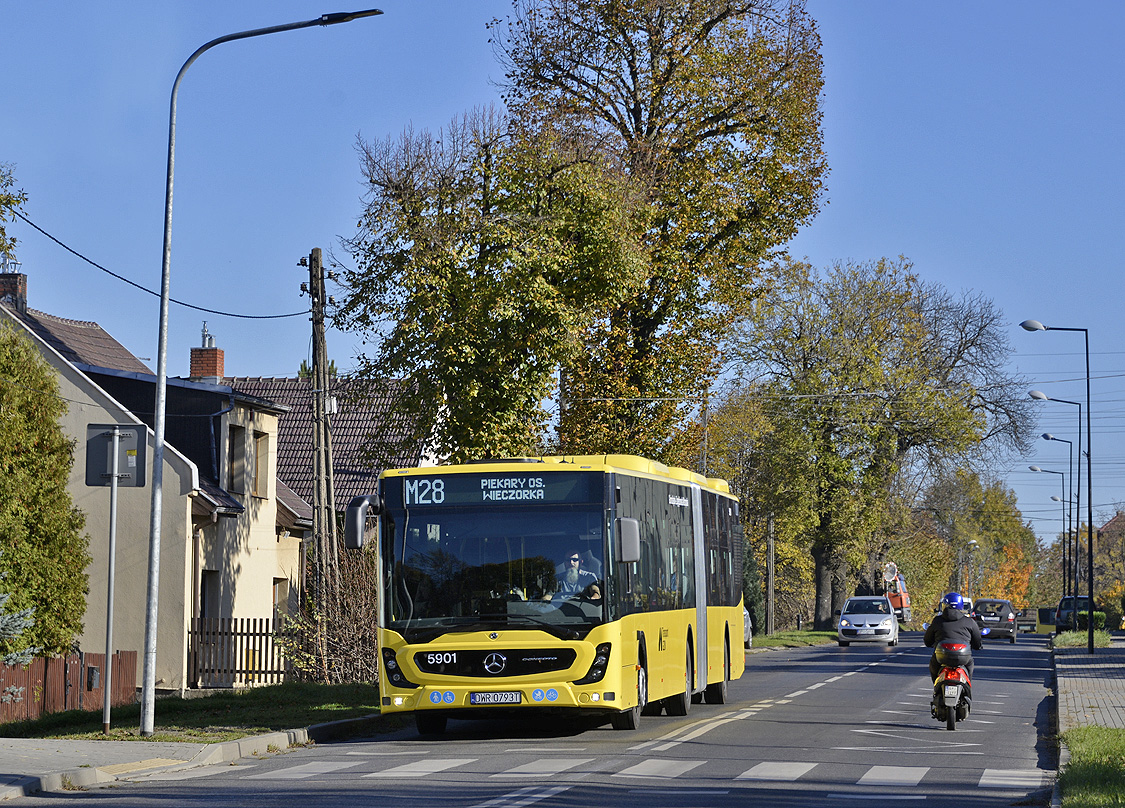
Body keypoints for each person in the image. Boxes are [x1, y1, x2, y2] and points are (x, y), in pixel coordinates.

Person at [924, 591, 983, 681]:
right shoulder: (969, 621)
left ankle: (936, 687)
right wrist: (978, 646)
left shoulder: (937, 621)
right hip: (963, 656)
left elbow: (928, 640)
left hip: (942, 656)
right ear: (960, 605)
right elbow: (977, 640)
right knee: (970, 663)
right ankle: (967, 686)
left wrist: (930, 643)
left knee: (933, 664)